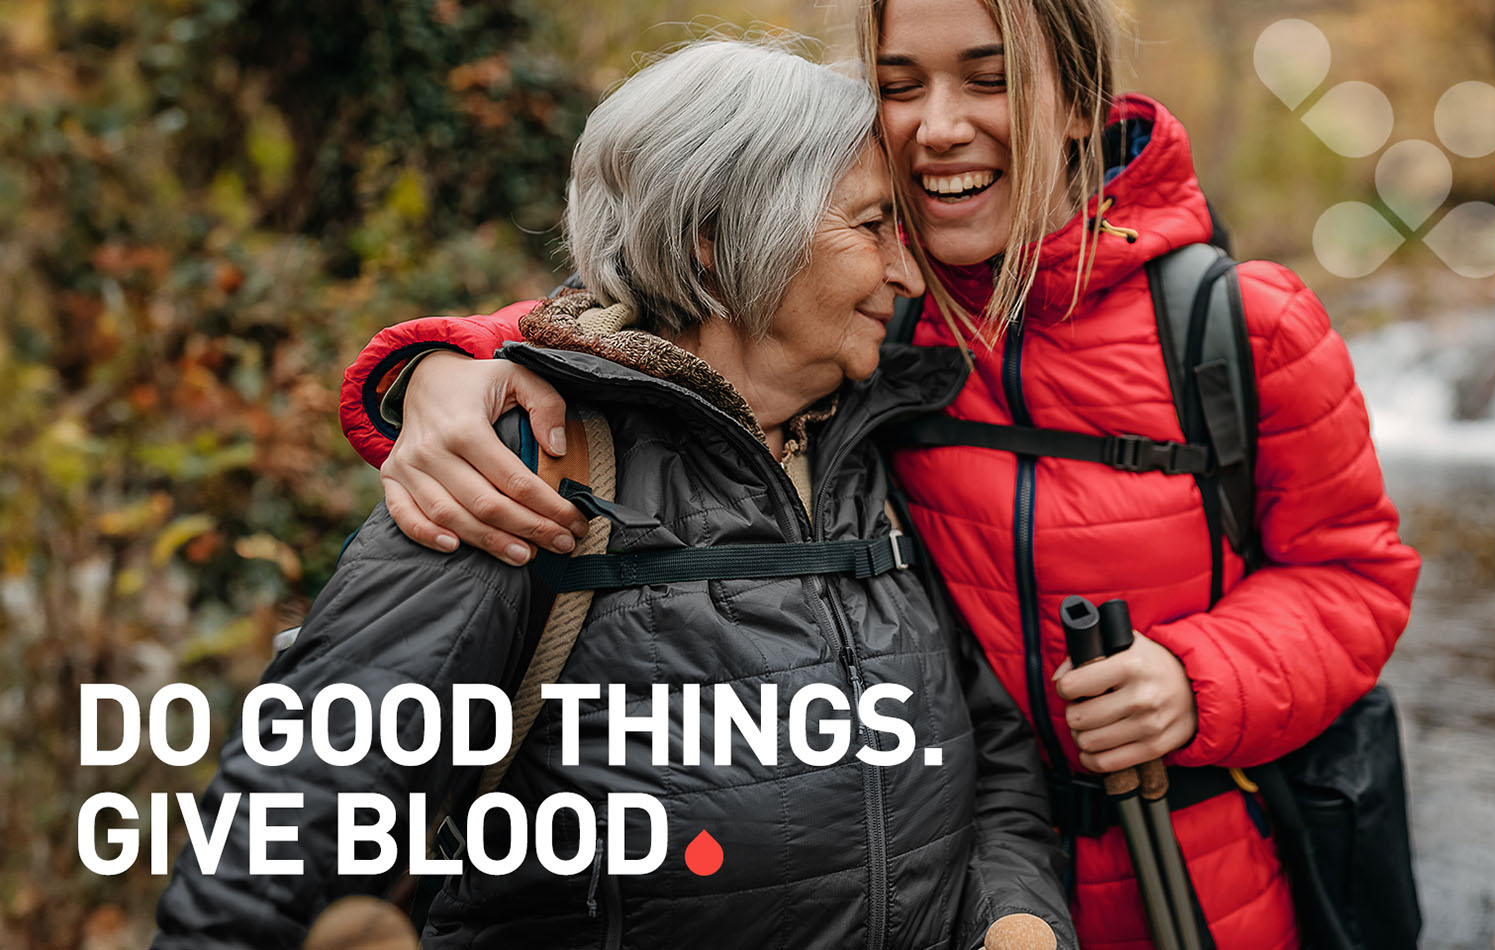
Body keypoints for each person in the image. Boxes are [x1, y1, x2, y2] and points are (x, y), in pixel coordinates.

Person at [332, 2, 1424, 947]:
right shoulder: (870, 304)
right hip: (935, 879)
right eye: (899, 85)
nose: (938, 125)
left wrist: (1200, 680)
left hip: (1197, 882)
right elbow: (648, 322)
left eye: (990, 78)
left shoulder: (1240, 322)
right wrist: (443, 364)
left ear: (1082, 100)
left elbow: (1355, 575)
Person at [153, 39, 1074, 949]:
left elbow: (991, 760)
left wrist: (1018, 919)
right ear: (719, 245)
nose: (908, 273)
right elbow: (283, 828)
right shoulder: (524, 473)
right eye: (871, 227)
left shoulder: (870, 464)